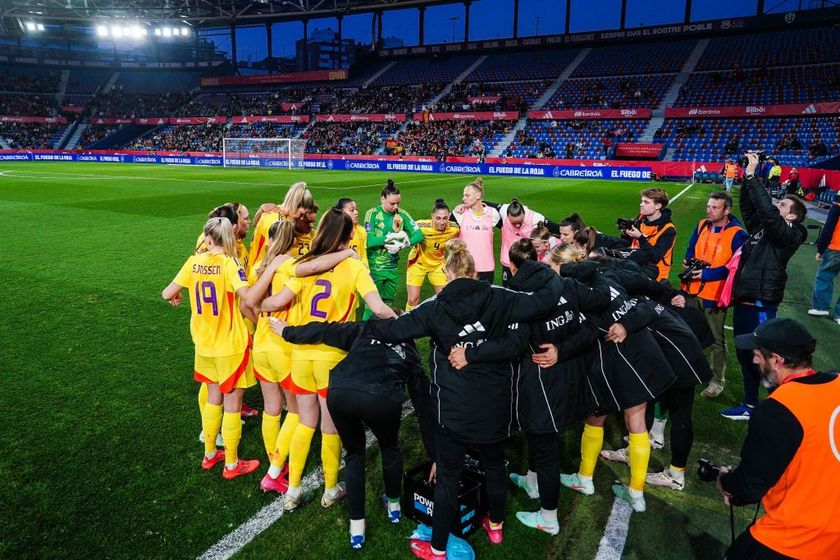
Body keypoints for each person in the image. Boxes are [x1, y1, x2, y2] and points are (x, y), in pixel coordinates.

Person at [364, 239, 561, 558]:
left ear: (447, 272)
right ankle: (495, 526)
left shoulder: (435, 307)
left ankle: (438, 548)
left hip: (454, 413)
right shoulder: (501, 297)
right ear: (475, 271)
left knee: (448, 478)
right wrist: (549, 270)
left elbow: (392, 331)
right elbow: (542, 304)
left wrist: (347, 330)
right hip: (496, 409)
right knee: (495, 465)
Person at [257, 209, 396, 511]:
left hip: (301, 355)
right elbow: (378, 307)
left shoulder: (304, 265)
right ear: (348, 237)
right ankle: (331, 489)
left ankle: (292, 489)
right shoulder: (354, 266)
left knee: (305, 422)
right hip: (332, 358)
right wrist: (400, 322)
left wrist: (262, 307)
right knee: (330, 428)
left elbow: (276, 301)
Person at [475, 239, 608, 535]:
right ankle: (532, 481)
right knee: (541, 440)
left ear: (512, 267)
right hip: (572, 377)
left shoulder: (521, 301)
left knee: (547, 447)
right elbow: (591, 326)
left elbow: (512, 346)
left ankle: (549, 518)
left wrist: (472, 353)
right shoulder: (566, 286)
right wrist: (564, 349)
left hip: (544, 384)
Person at [270, 315, 435, 550]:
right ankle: (394, 508)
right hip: (381, 398)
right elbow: (423, 407)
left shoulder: (364, 329)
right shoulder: (409, 351)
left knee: (354, 454)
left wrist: (288, 332)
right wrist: (436, 455)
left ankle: (356, 529)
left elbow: (324, 330)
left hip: (341, 391)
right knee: (389, 447)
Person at [547, 244, 676, 513]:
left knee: (596, 416)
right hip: (641, 351)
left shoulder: (576, 292)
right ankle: (636, 493)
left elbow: (586, 332)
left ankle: (585, 478)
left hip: (613, 359)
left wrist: (560, 350)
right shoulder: (606, 275)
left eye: (551, 266)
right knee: (636, 421)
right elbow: (642, 302)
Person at [243, 219, 357, 494]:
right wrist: (347, 253)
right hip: (286, 346)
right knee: (299, 414)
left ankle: (275, 462)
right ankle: (275, 469)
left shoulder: (263, 264)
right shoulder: (293, 266)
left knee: (272, 408)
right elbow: (316, 266)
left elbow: (248, 302)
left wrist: (260, 317)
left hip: (261, 343)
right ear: (294, 240)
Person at [718, 318, 840, 559]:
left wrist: (726, 482)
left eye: (757, 355)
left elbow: (749, 487)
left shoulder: (779, 410)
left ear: (777, 360)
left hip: (793, 540)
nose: (754, 361)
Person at [162, 217, 261, 480]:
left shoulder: (193, 262)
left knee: (213, 399)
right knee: (232, 403)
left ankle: (209, 454)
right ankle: (231, 463)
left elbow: (166, 293)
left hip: (203, 346)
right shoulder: (230, 264)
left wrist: (177, 293)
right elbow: (248, 297)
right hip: (230, 346)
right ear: (228, 238)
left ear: (207, 239)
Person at [722, 152, 808, 421]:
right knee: (746, 356)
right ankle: (750, 405)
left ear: (792, 216)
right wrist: (747, 176)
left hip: (761, 300)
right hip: (745, 297)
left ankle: (778, 407)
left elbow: (769, 216)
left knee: (766, 357)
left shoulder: (792, 233)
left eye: (782, 204)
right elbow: (751, 208)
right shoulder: (765, 228)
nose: (775, 206)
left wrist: (752, 175)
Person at [677, 191, 748, 398]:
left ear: (727, 210)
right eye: (708, 206)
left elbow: (735, 267)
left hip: (714, 294)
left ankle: (717, 380)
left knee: (716, 340)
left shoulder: (738, 234)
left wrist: (707, 273)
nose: (709, 210)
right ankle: (691, 370)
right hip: (691, 289)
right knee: (688, 332)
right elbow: (691, 249)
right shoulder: (701, 225)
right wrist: (689, 261)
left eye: (715, 207)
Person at [364, 179, 424, 318]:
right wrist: (388, 237)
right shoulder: (372, 214)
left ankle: (381, 336)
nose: (395, 206)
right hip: (375, 268)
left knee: (387, 304)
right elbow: (368, 241)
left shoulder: (402, 214)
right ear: (382, 199)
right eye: (392, 203)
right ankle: (364, 335)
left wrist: (405, 243)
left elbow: (419, 234)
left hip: (392, 268)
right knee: (372, 305)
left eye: (398, 203)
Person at [405, 198, 459, 310]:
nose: (442, 222)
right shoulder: (421, 226)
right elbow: (404, 228)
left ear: (449, 216)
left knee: (444, 298)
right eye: (438, 218)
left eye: (445, 218)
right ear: (432, 216)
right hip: (417, 264)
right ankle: (408, 324)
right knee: (413, 299)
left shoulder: (454, 229)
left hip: (438, 265)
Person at [621, 188, 677, 281]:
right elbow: (629, 244)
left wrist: (640, 237)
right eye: (642, 201)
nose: (641, 205)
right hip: (635, 270)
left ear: (658, 206)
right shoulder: (640, 219)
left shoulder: (668, 230)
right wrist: (626, 234)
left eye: (646, 202)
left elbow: (655, 257)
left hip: (655, 279)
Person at [453, 178, 501, 283]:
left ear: (478, 196)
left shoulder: (493, 214)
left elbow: (508, 230)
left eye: (467, 195)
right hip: (464, 267)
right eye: (463, 195)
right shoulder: (458, 214)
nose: (463, 198)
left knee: (485, 298)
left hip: (486, 267)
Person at [808, 194, 840, 325]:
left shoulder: (837, 207)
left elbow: (828, 229)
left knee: (825, 276)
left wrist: (820, 249)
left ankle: (820, 307)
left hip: (835, 248)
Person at [336, 197, 368, 268]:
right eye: (352, 210)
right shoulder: (335, 232)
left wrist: (366, 269)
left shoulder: (361, 230)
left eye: (356, 209)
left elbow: (363, 255)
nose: (356, 213)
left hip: (358, 271)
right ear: (341, 212)